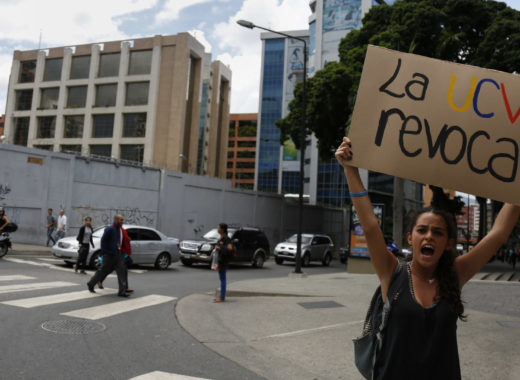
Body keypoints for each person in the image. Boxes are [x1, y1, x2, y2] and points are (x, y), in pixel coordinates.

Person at [335, 136, 520, 379]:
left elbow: (497, 235)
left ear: (448, 243)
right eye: (422, 231)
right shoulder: (393, 272)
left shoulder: (455, 274)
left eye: (438, 232)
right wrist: (351, 169)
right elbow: (370, 226)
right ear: (410, 238)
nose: (429, 236)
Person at [87, 214, 128, 297]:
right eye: (121, 220)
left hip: (118, 254)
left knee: (122, 271)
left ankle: (122, 291)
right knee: (102, 270)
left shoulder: (120, 230)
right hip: (109, 254)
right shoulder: (110, 229)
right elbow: (103, 241)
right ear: (116, 220)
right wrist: (105, 252)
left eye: (122, 220)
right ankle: (91, 284)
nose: (122, 221)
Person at [96, 223, 133, 293]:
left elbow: (124, 241)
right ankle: (99, 281)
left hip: (121, 255)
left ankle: (125, 287)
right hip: (112, 255)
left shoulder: (122, 231)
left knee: (124, 271)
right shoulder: (112, 231)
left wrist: (127, 240)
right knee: (107, 270)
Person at [214, 223, 233, 303]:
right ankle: (221, 296)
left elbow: (230, 249)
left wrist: (220, 247)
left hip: (224, 261)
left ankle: (222, 297)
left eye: (218, 227)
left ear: (222, 229)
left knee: (223, 279)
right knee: (221, 278)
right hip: (220, 261)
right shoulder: (220, 239)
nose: (217, 229)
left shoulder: (226, 239)